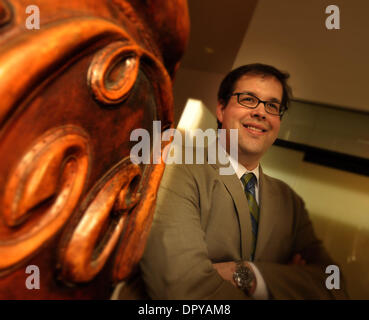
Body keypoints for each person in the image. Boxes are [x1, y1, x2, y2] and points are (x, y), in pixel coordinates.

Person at [139, 63, 348, 299]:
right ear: (220, 109)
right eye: (248, 99)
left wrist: (248, 274)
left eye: (272, 105)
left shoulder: (290, 202)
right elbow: (181, 290)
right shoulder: (177, 167)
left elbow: (334, 285)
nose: (261, 112)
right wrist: (286, 281)